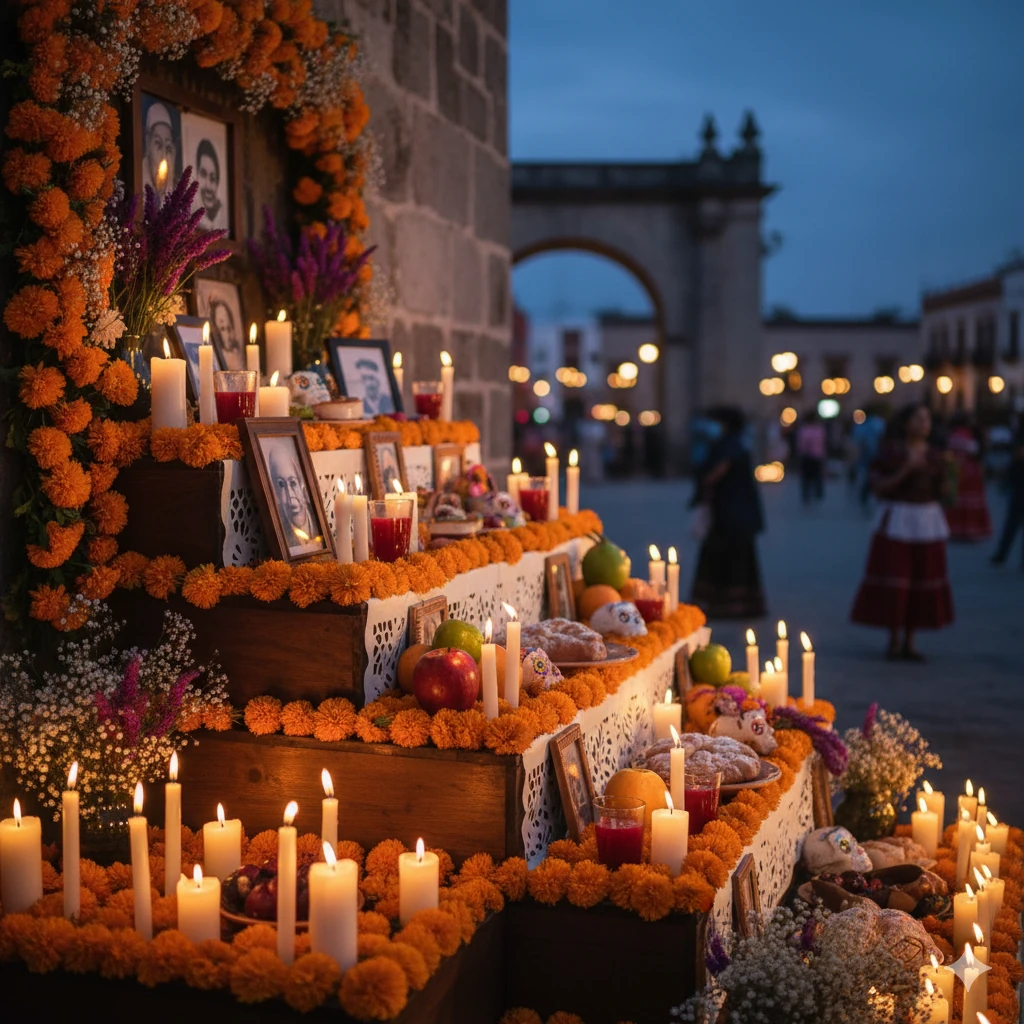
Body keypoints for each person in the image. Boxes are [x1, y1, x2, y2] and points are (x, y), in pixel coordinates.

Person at [850, 404, 954, 660]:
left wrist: (950, 475)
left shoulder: (935, 455)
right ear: (906, 423)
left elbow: (946, 493)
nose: (924, 424)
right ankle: (894, 639)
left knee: (921, 580)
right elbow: (879, 487)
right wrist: (906, 469)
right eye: (918, 419)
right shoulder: (891, 453)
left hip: (927, 521)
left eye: (927, 419)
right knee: (897, 580)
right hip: (898, 519)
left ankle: (910, 640)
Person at [690, 406, 766, 618]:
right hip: (732, 513)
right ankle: (733, 604)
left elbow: (717, 472)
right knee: (733, 557)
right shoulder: (734, 443)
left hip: (732, 515)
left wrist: (706, 481)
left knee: (729, 558)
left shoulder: (730, 445)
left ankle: (728, 605)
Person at [267, 442, 322, 556]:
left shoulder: (317, 514)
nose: (290, 495)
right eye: (281, 485)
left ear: (301, 483)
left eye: (293, 483)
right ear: (276, 492)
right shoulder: (278, 526)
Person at [944, 414, 992, 542]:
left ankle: (956, 529)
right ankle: (971, 529)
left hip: (957, 469)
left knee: (957, 498)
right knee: (971, 499)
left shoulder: (953, 434)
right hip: (970, 470)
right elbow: (974, 450)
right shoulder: (968, 434)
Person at [991, 429, 1024, 566]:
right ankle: (1002, 554)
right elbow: (1018, 454)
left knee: (1012, 522)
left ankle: (1002, 554)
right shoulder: (1021, 435)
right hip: (1020, 486)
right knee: (1012, 522)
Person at [142, 101, 177, 201]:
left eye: (168, 147)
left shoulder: (174, 184)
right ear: (148, 142)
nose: (163, 155)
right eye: (158, 143)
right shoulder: (138, 177)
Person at [795, 410, 826, 504]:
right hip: (817, 456)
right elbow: (823, 443)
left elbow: (800, 444)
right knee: (817, 476)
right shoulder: (820, 429)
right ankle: (818, 494)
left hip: (806, 457)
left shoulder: (803, 430)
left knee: (806, 478)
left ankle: (806, 495)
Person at [194, 138, 224, 229]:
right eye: (203, 174)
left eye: (213, 178)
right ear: (197, 175)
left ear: (218, 182)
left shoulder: (223, 215)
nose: (208, 186)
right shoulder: (190, 215)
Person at [209, 297, 242, 370]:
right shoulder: (214, 357)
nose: (228, 335)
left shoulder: (236, 353)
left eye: (229, 327)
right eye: (223, 328)